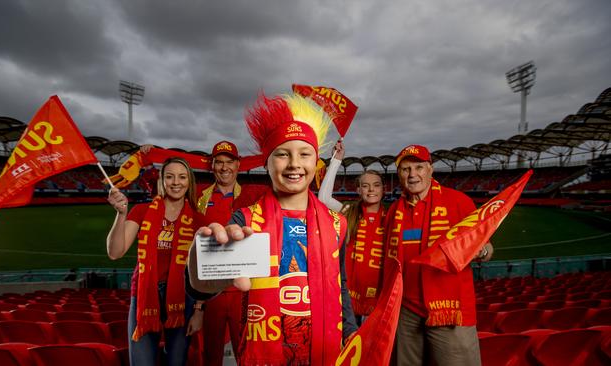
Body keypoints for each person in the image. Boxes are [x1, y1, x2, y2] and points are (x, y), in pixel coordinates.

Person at [188, 92, 358, 365]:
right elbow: (204, 284)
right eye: (282, 154)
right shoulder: (244, 221)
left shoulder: (337, 222)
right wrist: (202, 262)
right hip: (265, 351)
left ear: (316, 162)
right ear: (266, 163)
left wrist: (350, 333)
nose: (294, 164)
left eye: (304, 154)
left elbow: (342, 286)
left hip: (326, 350)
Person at [384, 145, 493, 366]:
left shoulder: (459, 201)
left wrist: (480, 250)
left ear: (430, 170)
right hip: (406, 309)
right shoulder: (395, 210)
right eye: (406, 169)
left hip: (449, 309)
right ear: (399, 175)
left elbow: (487, 248)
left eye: (418, 167)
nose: (412, 174)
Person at [107, 157, 205, 366]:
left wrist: (198, 310)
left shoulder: (198, 219)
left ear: (189, 182)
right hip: (145, 293)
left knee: (176, 362)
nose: (176, 182)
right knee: (142, 362)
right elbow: (115, 252)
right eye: (170, 176)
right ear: (162, 180)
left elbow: (203, 271)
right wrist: (121, 214)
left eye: (182, 177)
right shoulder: (142, 211)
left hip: (183, 297)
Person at [196, 140, 266, 365]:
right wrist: (149, 156)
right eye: (219, 162)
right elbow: (165, 185)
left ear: (238, 166)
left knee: (246, 354)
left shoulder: (254, 193)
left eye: (229, 162)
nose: (224, 167)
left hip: (244, 292)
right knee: (210, 355)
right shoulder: (198, 196)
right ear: (212, 166)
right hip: (211, 292)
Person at [318, 140, 387, 324]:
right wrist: (336, 160)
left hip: (380, 296)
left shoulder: (392, 215)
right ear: (358, 190)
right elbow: (323, 199)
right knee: (349, 345)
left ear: (383, 189)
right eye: (365, 185)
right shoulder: (349, 211)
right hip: (348, 295)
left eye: (376, 185)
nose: (371, 189)